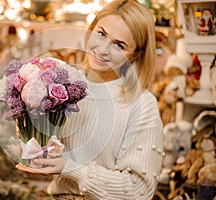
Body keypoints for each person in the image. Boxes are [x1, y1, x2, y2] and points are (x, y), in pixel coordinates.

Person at [16, 0, 164, 199]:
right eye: (101, 34)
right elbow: (46, 150)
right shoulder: (64, 84)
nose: (102, 49)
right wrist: (31, 130)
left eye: (119, 45)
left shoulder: (142, 104)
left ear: (135, 55)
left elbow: (139, 189)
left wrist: (70, 169)